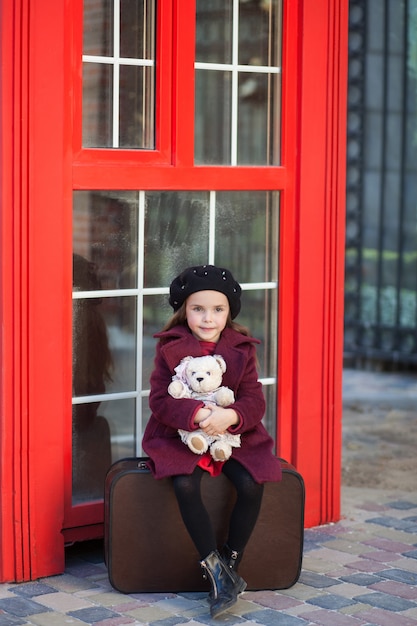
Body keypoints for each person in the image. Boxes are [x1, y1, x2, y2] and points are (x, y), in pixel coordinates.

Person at [142, 265, 281, 618]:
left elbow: (253, 399)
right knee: (185, 484)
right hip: (181, 434)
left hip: (232, 435)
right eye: (198, 309)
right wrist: (199, 415)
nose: (208, 318)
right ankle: (216, 572)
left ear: (229, 312)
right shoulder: (169, 348)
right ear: (183, 311)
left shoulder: (242, 349)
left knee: (251, 483)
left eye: (217, 310)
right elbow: (160, 399)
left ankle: (231, 563)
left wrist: (230, 416)